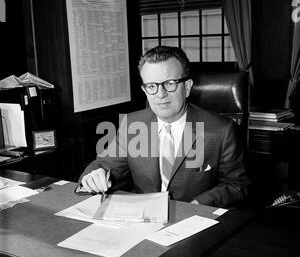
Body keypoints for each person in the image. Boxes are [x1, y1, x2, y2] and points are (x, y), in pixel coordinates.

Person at [78, 45, 250, 208]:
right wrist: (94, 176)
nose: (160, 94)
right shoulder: (132, 124)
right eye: (151, 86)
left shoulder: (221, 130)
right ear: (145, 90)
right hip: (144, 219)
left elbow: (238, 185)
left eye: (170, 83)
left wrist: (197, 205)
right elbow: (103, 164)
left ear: (187, 87)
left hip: (194, 221)